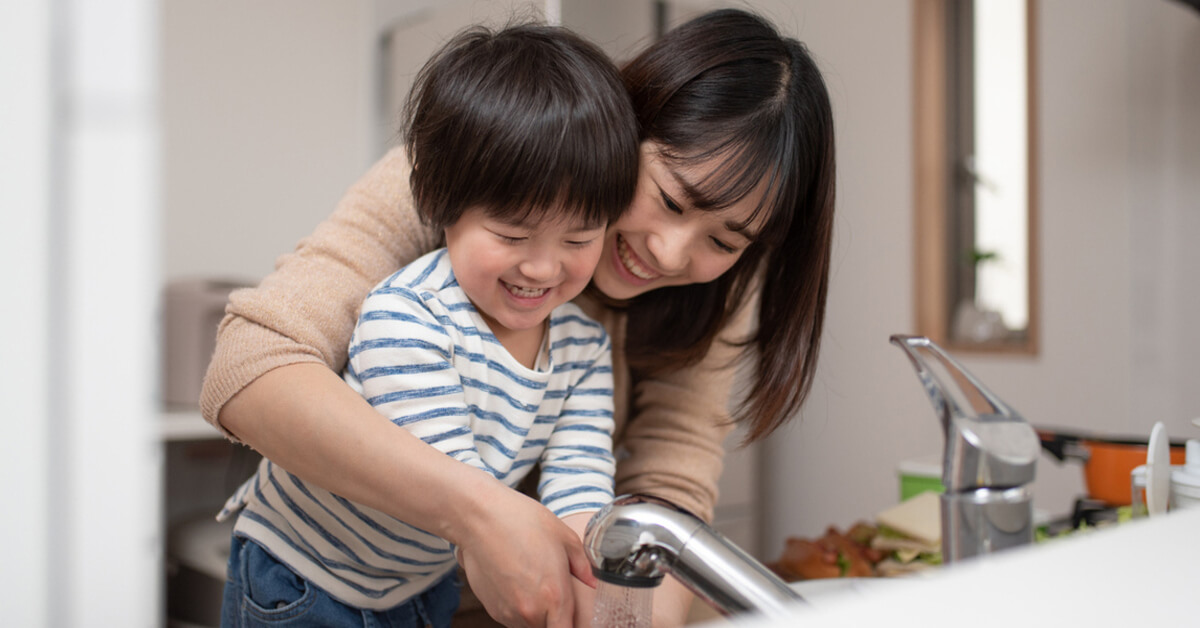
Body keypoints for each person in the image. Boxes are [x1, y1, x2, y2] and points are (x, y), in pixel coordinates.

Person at [201, 8, 835, 628]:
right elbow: (249, 366)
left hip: (449, 599)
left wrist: (624, 613)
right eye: (669, 198)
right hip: (323, 576)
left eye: (725, 242)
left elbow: (666, 480)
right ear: (624, 132)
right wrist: (478, 514)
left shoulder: (630, 327)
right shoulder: (475, 169)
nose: (671, 251)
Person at [214, 23, 638, 627]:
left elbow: (579, 484)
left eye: (579, 237)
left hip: (414, 582)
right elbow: (458, 486)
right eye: (512, 235)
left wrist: (588, 582)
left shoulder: (584, 350)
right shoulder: (408, 315)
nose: (543, 266)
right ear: (442, 208)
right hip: (302, 572)